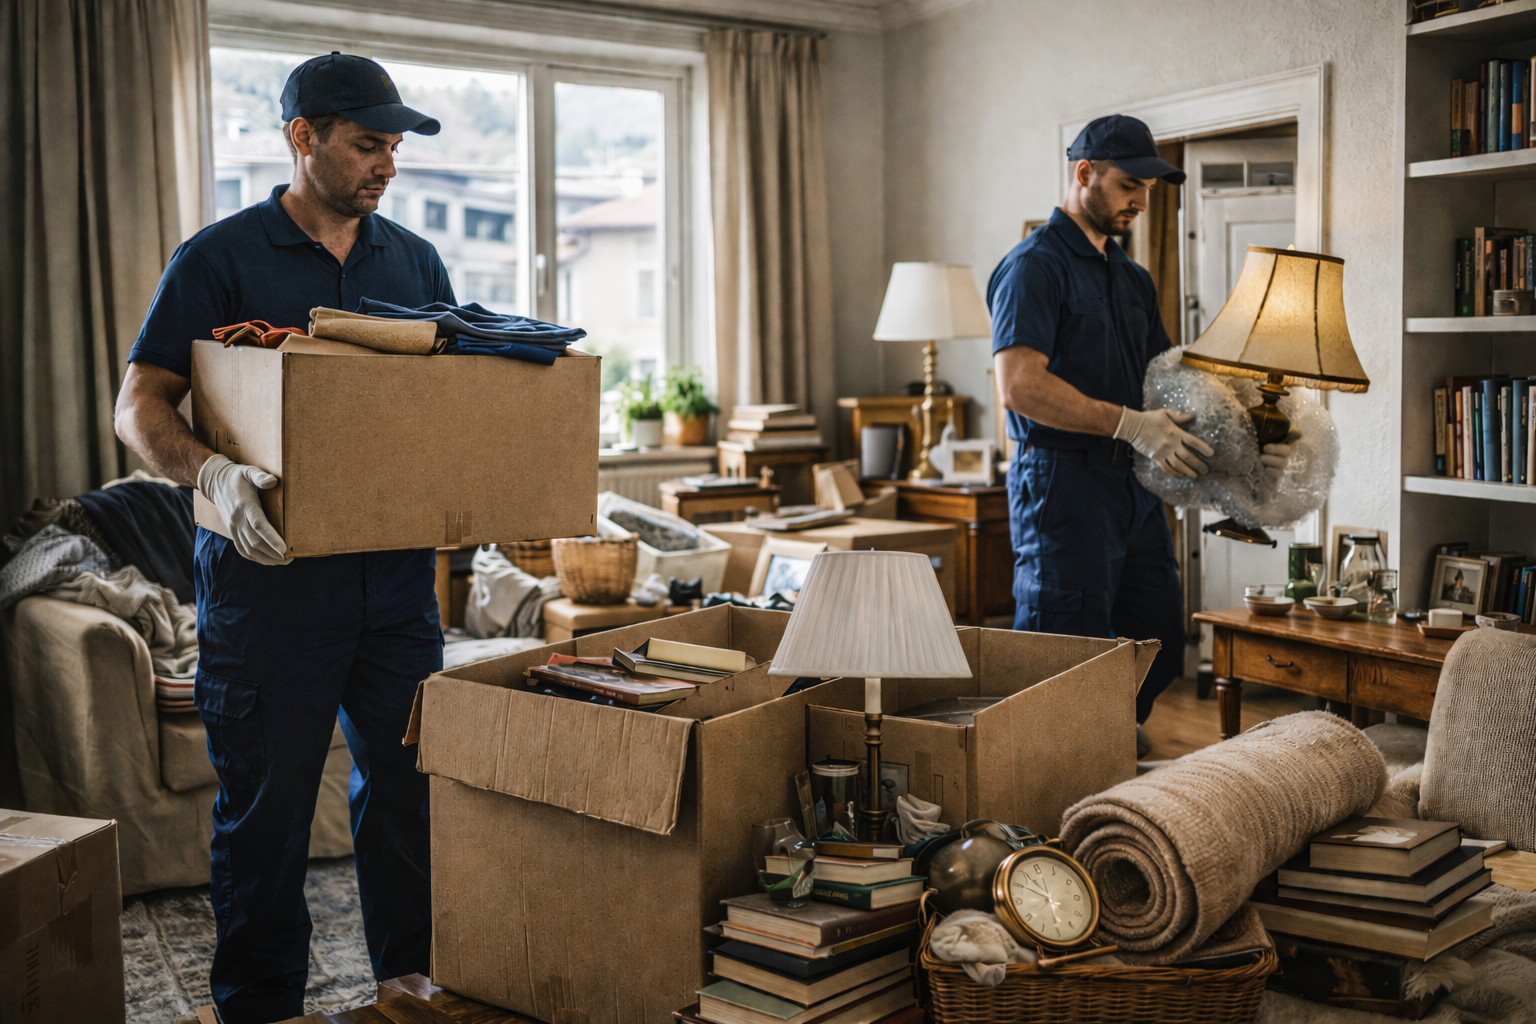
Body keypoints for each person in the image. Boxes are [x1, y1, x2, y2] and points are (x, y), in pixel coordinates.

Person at [114, 53, 451, 1024]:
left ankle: (409, 987)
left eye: (395, 146)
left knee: (404, 797)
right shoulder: (218, 257)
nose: (388, 164)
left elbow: (435, 410)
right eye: (367, 143)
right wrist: (211, 470)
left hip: (394, 584)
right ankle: (260, 1006)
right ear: (302, 138)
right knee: (264, 815)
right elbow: (140, 407)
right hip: (268, 588)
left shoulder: (413, 262)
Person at [989, 114, 1294, 745]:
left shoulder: (1131, 277)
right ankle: (1056, 768)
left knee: (1154, 632)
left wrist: (1250, 432)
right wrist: (1131, 425)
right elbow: (1019, 386)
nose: (1141, 201)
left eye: (1150, 189)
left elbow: (1171, 382)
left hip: (1133, 488)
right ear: (1084, 174)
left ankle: (1106, 740)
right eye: (1130, 184)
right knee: (1062, 650)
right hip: (1060, 487)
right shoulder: (1033, 268)